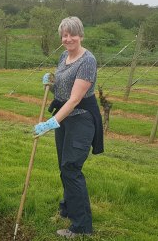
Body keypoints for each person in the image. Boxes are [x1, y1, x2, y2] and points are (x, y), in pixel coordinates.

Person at [34, 16, 104, 238]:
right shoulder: (65, 56)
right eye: (64, 34)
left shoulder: (88, 61)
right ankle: (67, 208)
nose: (68, 38)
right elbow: (63, 92)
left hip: (81, 118)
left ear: (81, 35)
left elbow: (74, 99)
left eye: (72, 34)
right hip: (65, 118)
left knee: (71, 168)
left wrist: (50, 122)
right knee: (64, 165)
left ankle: (82, 226)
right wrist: (52, 84)